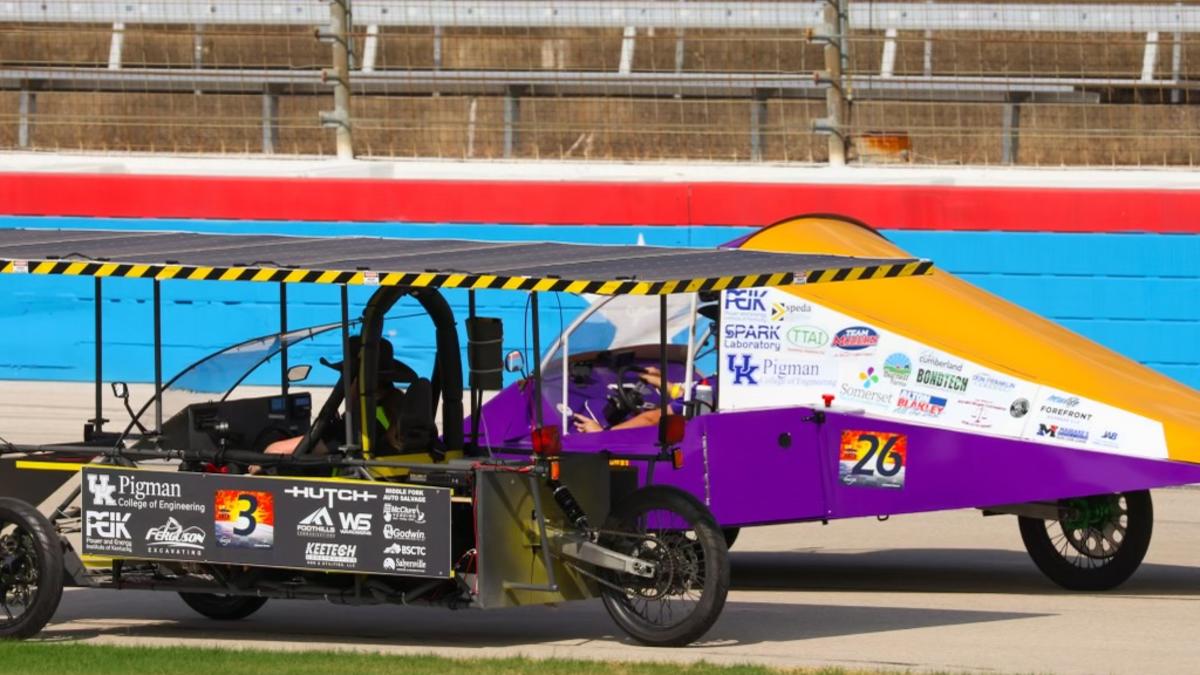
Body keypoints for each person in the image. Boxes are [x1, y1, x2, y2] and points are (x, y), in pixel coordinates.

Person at [256, 338, 407, 468]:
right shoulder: (402, 414)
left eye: (343, 376)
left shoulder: (358, 424)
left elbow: (274, 452)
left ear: (353, 380)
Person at [572, 365, 679, 433]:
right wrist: (659, 381)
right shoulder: (694, 396)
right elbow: (683, 395)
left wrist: (603, 434)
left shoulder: (689, 404)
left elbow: (650, 419)